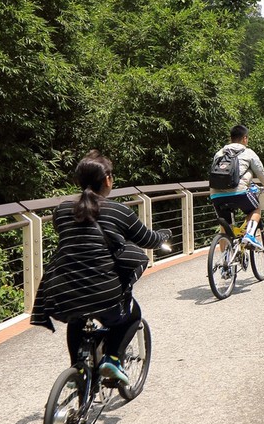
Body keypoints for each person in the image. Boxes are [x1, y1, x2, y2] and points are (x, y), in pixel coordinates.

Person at [31, 150, 170, 384]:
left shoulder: (63, 210)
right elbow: (147, 239)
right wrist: (164, 235)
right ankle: (113, 359)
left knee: (78, 318)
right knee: (132, 314)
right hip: (103, 292)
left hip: (62, 291)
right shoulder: (118, 211)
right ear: (107, 179)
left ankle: (78, 370)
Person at [209, 124, 264, 248]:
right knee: (255, 209)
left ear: (231, 138)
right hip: (239, 193)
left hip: (216, 195)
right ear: (245, 138)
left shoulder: (219, 153)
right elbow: (261, 173)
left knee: (225, 227)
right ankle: (249, 236)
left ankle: (225, 261)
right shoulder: (248, 152)